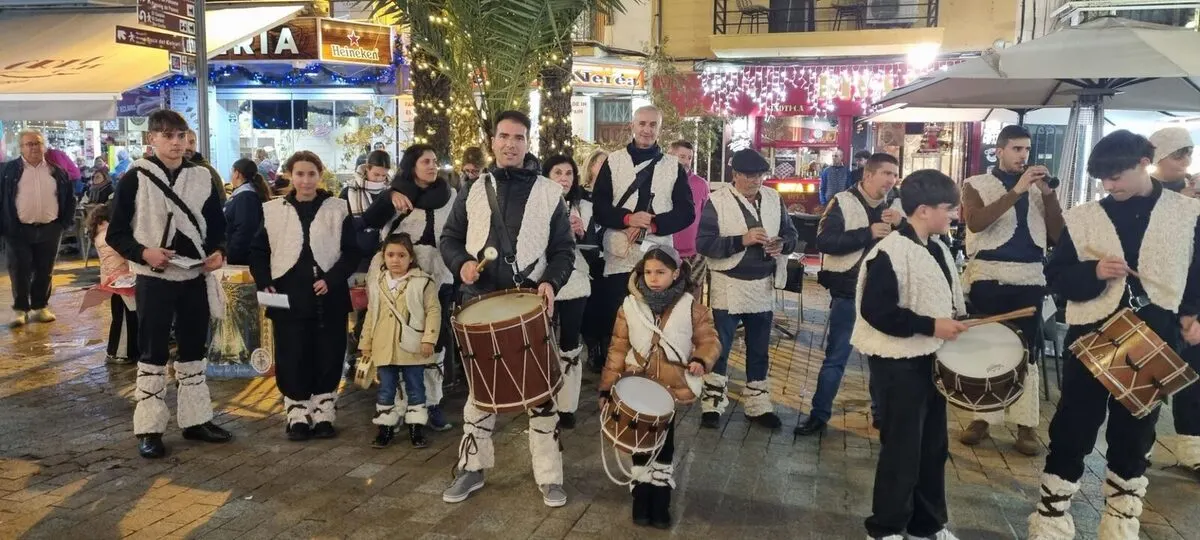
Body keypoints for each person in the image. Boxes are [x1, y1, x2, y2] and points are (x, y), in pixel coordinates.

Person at [1027, 131, 1200, 539]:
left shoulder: (1185, 213)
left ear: (1144, 162)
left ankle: (1121, 522)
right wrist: (1094, 272)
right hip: (1092, 335)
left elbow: (1196, 271)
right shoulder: (1084, 216)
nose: (1109, 186)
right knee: (1073, 423)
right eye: (1103, 178)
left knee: (1136, 429)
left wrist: (1194, 314)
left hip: (1156, 335)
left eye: (1116, 176)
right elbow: (1055, 275)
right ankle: (1051, 519)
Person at [438, 110, 575, 507]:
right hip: (479, 300)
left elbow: (564, 250)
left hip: (530, 302)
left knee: (541, 395)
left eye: (518, 137)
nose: (510, 143)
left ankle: (550, 477)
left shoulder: (551, 191)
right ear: (493, 141)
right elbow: (449, 237)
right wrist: (460, 261)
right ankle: (472, 469)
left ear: (528, 142)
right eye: (503, 136)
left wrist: (551, 281)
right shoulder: (473, 188)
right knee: (479, 394)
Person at [105, 110, 232, 458]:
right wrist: (144, 252)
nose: (177, 143)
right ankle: (149, 427)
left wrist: (219, 251)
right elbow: (116, 233)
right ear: (153, 139)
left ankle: (196, 420)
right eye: (169, 136)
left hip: (194, 275)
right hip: (154, 279)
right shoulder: (135, 178)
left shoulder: (203, 177)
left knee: (193, 348)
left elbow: (218, 225)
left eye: (181, 136)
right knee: (153, 351)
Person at [853, 169, 966, 540]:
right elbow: (877, 311)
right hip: (898, 364)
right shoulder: (890, 251)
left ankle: (926, 524)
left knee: (933, 447)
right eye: (948, 208)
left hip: (932, 360)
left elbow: (946, 301)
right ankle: (885, 528)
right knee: (901, 450)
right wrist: (932, 325)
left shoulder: (938, 247)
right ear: (922, 210)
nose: (954, 215)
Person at [958, 125, 1064, 456]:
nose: (1023, 155)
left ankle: (1026, 424)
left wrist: (1048, 194)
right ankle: (983, 418)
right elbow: (976, 223)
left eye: (1026, 150)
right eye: (1016, 149)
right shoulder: (975, 185)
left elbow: (1058, 236)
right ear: (999, 151)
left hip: (1030, 277)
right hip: (988, 275)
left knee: (1026, 352)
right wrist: (1017, 190)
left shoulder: (1038, 189)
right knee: (988, 347)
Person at [600, 246, 720, 529]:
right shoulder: (629, 305)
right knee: (640, 446)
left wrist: (701, 360)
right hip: (635, 386)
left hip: (668, 389)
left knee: (664, 446)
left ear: (676, 273)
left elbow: (710, 340)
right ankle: (641, 499)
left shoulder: (691, 306)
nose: (653, 278)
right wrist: (606, 388)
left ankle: (661, 501)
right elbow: (617, 349)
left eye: (661, 272)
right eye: (649, 272)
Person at [250, 151, 357, 442]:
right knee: (292, 351)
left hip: (327, 295)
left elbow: (352, 252)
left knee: (329, 351)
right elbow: (258, 251)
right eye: (300, 174)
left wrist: (332, 279)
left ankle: (323, 410)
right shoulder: (273, 209)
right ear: (289, 175)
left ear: (320, 175)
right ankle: (297, 411)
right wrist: (264, 282)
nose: (306, 180)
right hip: (288, 293)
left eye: (311, 173)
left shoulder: (338, 208)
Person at [798, 153, 902, 436]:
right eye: (886, 174)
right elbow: (824, 242)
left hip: (884, 294)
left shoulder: (896, 206)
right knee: (837, 357)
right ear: (868, 175)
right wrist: (866, 233)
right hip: (849, 292)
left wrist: (902, 226)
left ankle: (881, 415)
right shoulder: (842, 201)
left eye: (894, 175)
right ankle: (819, 415)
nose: (891, 181)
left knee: (882, 357)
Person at [590, 106, 696, 382]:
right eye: (642, 124)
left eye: (653, 124)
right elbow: (600, 207)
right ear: (632, 125)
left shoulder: (673, 167)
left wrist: (653, 224)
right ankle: (617, 381)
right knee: (620, 319)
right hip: (620, 255)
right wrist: (627, 217)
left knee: (654, 322)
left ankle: (654, 378)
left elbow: (686, 212)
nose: (647, 130)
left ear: (660, 129)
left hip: (657, 257)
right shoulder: (613, 162)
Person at [696, 148, 798, 430]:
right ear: (736, 175)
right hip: (728, 283)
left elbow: (792, 234)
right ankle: (712, 404)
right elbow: (704, 244)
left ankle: (758, 404)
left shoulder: (774, 199)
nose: (756, 181)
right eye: (750, 176)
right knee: (721, 347)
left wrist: (782, 245)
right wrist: (742, 239)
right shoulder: (717, 201)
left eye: (760, 176)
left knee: (759, 348)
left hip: (762, 284)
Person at [361, 144, 457, 432]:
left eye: (435, 160)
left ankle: (431, 402)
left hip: (439, 276)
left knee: (434, 340)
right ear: (412, 166)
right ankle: (401, 404)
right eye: (426, 161)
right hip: (397, 279)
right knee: (398, 337)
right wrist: (389, 196)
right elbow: (368, 221)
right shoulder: (396, 193)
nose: (432, 166)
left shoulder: (450, 196)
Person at [1147, 126, 1200, 479]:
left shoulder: (1194, 196)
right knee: (1149, 375)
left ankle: (1192, 450)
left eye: (1189, 152)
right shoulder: (1145, 196)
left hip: (1192, 299)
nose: (1185, 161)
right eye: (1178, 154)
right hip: (1153, 300)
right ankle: (1138, 446)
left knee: (1193, 377)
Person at [359, 233, 441, 449]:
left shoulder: (423, 282)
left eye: (401, 255)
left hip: (412, 346)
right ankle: (385, 427)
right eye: (390, 254)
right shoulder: (378, 283)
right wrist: (365, 343)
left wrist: (429, 338)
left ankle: (416, 427)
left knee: (415, 387)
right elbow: (371, 313)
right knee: (386, 388)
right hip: (383, 346)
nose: (395, 260)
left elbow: (433, 311)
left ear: (411, 258)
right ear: (383, 257)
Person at [0, 130, 76, 327]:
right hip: (17, 230)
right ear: (21, 147)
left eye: (38, 143)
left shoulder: (57, 172)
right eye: (29, 144)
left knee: (45, 270)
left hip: (50, 228)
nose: (34, 147)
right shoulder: (7, 171)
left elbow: (69, 199)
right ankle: (20, 309)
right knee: (19, 269)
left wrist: (63, 224)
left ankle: (40, 306)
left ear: (44, 146)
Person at [543, 154, 591, 429]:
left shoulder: (583, 204)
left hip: (575, 280)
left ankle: (567, 404)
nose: (564, 178)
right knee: (542, 340)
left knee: (570, 341)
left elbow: (596, 247)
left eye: (569, 173)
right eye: (557, 172)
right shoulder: (536, 202)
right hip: (543, 278)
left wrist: (583, 231)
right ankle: (544, 397)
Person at [88, 204, 138, 365]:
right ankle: (120, 352)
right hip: (121, 282)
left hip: (116, 281)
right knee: (124, 318)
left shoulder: (100, 233)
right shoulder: (109, 236)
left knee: (124, 316)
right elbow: (125, 253)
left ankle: (123, 350)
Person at [578, 148, 609, 371]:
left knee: (605, 305)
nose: (605, 167)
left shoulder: (615, 195)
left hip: (609, 257)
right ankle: (592, 348)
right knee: (588, 308)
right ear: (590, 167)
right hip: (585, 257)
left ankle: (607, 349)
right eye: (600, 163)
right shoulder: (580, 195)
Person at [668, 140, 711, 297]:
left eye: (689, 157)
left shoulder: (701, 184)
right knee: (668, 297)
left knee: (693, 298)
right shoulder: (660, 181)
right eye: (682, 156)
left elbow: (707, 217)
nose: (686, 161)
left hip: (695, 252)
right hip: (667, 250)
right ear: (670, 156)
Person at [223, 158, 270, 265]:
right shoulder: (243, 195)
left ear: (237, 174)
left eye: (232, 172)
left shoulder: (246, 197)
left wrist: (231, 255)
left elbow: (244, 229)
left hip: (241, 258)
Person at [184, 130, 226, 205]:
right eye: (184, 141)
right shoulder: (172, 169)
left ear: (196, 144)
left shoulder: (206, 171)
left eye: (191, 142)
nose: (188, 147)